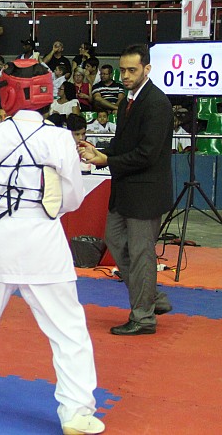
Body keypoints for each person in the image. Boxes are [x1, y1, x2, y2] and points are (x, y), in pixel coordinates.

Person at [0, 65, 104, 435]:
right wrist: (45, 204)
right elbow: (73, 198)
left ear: (7, 94)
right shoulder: (60, 139)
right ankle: (76, 412)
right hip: (43, 242)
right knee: (68, 329)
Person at [79, 44, 174, 336]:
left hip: (146, 193)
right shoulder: (126, 102)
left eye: (132, 70)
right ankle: (151, 297)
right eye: (122, 70)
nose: (126, 75)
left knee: (142, 253)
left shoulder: (157, 103)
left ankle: (143, 317)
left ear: (147, 69)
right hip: (125, 190)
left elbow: (147, 154)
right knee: (114, 238)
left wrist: (107, 160)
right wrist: (100, 154)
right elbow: (122, 144)